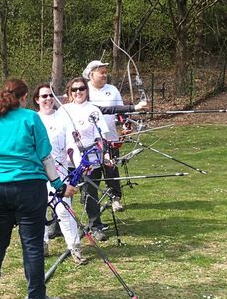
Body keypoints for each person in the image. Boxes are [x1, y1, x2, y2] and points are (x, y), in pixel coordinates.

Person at [0, 78, 75, 299]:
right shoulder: (31, 118)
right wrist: (59, 185)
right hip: (28, 187)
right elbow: (45, 156)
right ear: (23, 98)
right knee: (32, 245)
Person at [32, 83, 86, 265]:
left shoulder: (63, 117)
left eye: (50, 95)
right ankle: (42, 244)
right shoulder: (33, 119)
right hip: (38, 173)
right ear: (37, 100)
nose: (48, 99)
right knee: (38, 209)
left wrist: (79, 164)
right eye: (44, 96)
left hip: (60, 171)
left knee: (63, 209)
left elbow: (72, 145)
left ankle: (75, 247)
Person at [84, 60, 147, 212]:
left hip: (111, 137)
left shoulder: (112, 90)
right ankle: (90, 200)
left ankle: (115, 198)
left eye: (106, 72)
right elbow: (103, 110)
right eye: (101, 72)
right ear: (91, 74)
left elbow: (119, 110)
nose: (105, 75)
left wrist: (126, 124)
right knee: (92, 171)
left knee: (111, 168)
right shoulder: (84, 90)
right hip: (90, 139)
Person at [56, 76, 112, 241]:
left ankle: (95, 226)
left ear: (86, 91)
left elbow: (101, 137)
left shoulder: (93, 110)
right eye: (74, 89)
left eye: (81, 88)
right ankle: (57, 225)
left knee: (90, 193)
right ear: (70, 92)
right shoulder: (63, 110)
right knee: (62, 193)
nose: (78, 92)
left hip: (89, 161)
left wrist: (106, 155)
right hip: (66, 161)